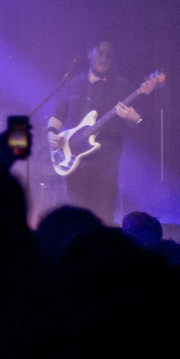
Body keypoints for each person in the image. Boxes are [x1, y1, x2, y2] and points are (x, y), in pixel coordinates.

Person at [47, 40, 142, 224]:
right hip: (74, 162)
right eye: (100, 53)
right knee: (79, 220)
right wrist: (51, 133)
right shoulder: (73, 82)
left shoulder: (120, 85)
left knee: (104, 218)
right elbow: (58, 114)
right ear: (90, 53)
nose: (104, 59)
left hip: (105, 164)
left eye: (109, 56)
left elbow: (136, 125)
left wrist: (134, 118)